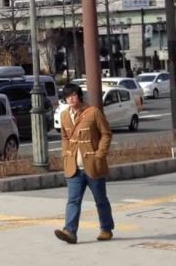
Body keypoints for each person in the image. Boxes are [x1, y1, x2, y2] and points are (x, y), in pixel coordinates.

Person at [55, 83, 114, 244]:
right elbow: (65, 137)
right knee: (73, 200)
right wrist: (66, 153)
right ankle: (70, 232)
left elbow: (106, 134)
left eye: (74, 95)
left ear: (79, 96)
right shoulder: (65, 115)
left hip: (93, 165)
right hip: (73, 167)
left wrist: (100, 155)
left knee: (100, 199)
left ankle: (106, 229)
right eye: (68, 96)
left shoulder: (93, 112)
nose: (71, 99)